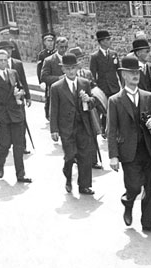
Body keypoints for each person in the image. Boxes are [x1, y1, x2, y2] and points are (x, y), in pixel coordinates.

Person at [107, 56, 151, 233]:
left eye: (137, 73)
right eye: (131, 73)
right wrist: (113, 156)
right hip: (128, 151)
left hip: (148, 150)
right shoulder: (115, 100)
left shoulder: (148, 97)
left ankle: (149, 222)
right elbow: (111, 130)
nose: (135, 76)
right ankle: (128, 200)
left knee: (150, 187)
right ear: (124, 75)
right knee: (133, 186)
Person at [49, 53, 97, 194]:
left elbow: (94, 102)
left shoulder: (85, 83)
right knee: (70, 156)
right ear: (63, 69)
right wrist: (54, 129)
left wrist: (88, 99)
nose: (71, 71)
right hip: (66, 128)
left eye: (73, 68)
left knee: (85, 156)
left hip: (83, 125)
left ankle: (84, 185)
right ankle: (68, 177)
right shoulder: (56, 87)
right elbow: (54, 109)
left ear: (77, 68)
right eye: (67, 68)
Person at [0, 49, 31, 183]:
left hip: (16, 113)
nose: (3, 62)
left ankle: (20, 174)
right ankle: (1, 163)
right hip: (1, 115)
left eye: (5, 60)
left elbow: (21, 88)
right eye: (0, 60)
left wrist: (20, 95)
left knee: (18, 145)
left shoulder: (13, 73)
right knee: (4, 145)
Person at [0, 40, 32, 153]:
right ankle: (5, 145)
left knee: (21, 123)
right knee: (5, 126)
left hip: (17, 100)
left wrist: (27, 96)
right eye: (6, 49)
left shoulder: (17, 63)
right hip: (3, 102)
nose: (8, 52)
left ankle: (22, 146)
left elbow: (23, 80)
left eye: (10, 49)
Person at [90, 30, 121, 131]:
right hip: (103, 86)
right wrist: (95, 88)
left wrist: (123, 84)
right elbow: (92, 74)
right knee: (105, 108)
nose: (109, 41)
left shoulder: (113, 54)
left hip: (114, 85)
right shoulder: (95, 56)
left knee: (116, 107)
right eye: (107, 39)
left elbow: (119, 70)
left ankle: (116, 128)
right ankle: (104, 128)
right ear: (102, 41)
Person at [41, 36, 69, 121]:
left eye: (66, 47)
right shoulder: (49, 60)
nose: (63, 49)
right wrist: (59, 78)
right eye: (61, 47)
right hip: (55, 93)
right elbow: (44, 77)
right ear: (56, 47)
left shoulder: (70, 58)